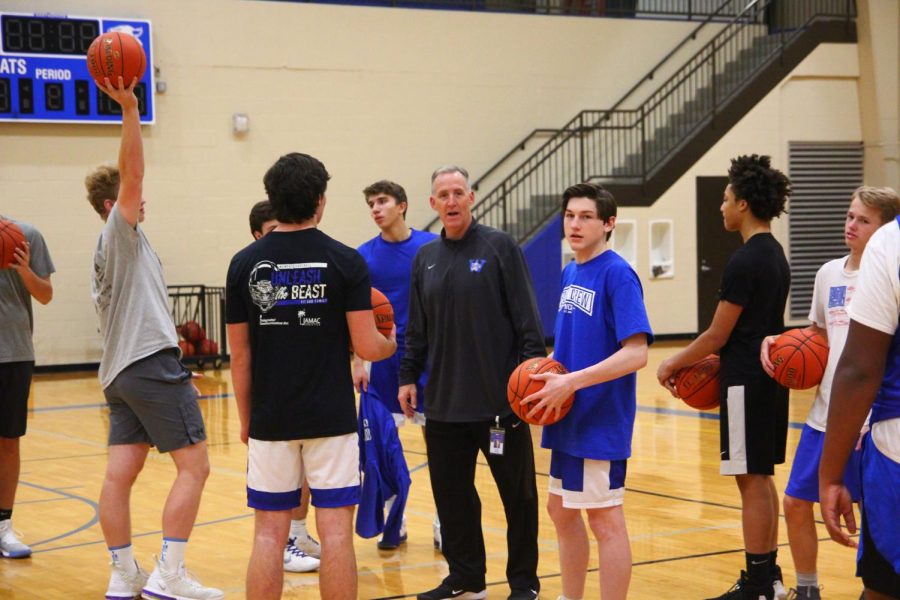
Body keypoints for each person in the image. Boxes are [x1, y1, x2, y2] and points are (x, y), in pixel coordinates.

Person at [226, 152, 396, 600]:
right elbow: (366, 346)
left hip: (271, 417)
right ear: (320, 200)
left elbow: (239, 358)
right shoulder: (345, 261)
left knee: (268, 534)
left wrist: (247, 421)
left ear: (272, 200)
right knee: (336, 532)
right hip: (331, 418)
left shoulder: (243, 264)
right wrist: (391, 342)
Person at [84, 77, 222, 600]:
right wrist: (131, 110)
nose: (142, 200)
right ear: (112, 201)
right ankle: (169, 576)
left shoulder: (119, 248)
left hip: (118, 373)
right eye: (130, 195)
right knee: (196, 465)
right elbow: (133, 172)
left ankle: (124, 575)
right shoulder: (117, 231)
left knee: (121, 472)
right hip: (146, 363)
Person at [399, 165, 545, 600]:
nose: (451, 201)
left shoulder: (500, 247)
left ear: (472, 197)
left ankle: (524, 583)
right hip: (443, 407)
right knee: (453, 498)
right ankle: (466, 578)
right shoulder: (425, 259)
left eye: (458, 192)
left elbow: (528, 322)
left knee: (518, 499)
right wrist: (408, 376)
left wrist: (533, 378)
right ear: (432, 204)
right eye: (442, 194)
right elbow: (416, 330)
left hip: (500, 407)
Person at [656, 154, 792, 600]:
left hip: (744, 380)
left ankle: (756, 583)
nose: (721, 206)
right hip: (771, 378)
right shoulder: (776, 254)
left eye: (727, 198)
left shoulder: (745, 260)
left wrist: (671, 363)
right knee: (761, 477)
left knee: (749, 480)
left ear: (745, 204)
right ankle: (768, 578)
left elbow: (717, 335)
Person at [760, 187, 899, 600]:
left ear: (885, 227)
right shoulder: (828, 274)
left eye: (864, 220)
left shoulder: (885, 261)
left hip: (874, 420)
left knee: (871, 515)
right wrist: (782, 343)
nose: (852, 225)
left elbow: (862, 365)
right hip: (828, 412)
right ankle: (807, 589)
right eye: (850, 216)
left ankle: (874, 579)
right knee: (796, 501)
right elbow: (818, 335)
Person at [522, 183, 651, 600]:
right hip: (568, 413)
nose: (574, 224)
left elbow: (636, 354)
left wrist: (571, 383)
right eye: (570, 215)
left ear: (609, 223)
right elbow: (568, 345)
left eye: (586, 217)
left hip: (600, 419)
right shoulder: (570, 270)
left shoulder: (617, 273)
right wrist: (545, 376)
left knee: (605, 520)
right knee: (560, 510)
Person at [352, 180, 437, 550]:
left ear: (402, 205)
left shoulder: (431, 247)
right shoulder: (363, 257)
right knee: (385, 444)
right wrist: (358, 358)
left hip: (429, 356)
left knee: (439, 442)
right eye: (371, 203)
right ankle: (394, 516)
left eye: (382, 201)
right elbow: (355, 315)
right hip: (383, 359)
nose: (375, 208)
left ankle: (445, 520)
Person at [819, 213, 900, 600]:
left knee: (885, 587)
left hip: (896, 448)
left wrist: (832, 475)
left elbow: (859, 369)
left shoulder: (892, 241)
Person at [247, 199, 321, 573]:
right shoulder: (255, 277)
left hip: (307, 395)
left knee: (305, 474)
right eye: (274, 231)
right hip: (271, 399)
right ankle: (285, 542)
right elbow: (242, 353)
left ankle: (298, 531)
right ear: (259, 236)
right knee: (278, 488)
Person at [0, 216, 53, 559]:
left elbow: (46, 295)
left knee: (8, 441)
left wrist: (22, 268)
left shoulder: (27, 235)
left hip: (14, 353)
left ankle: (3, 526)